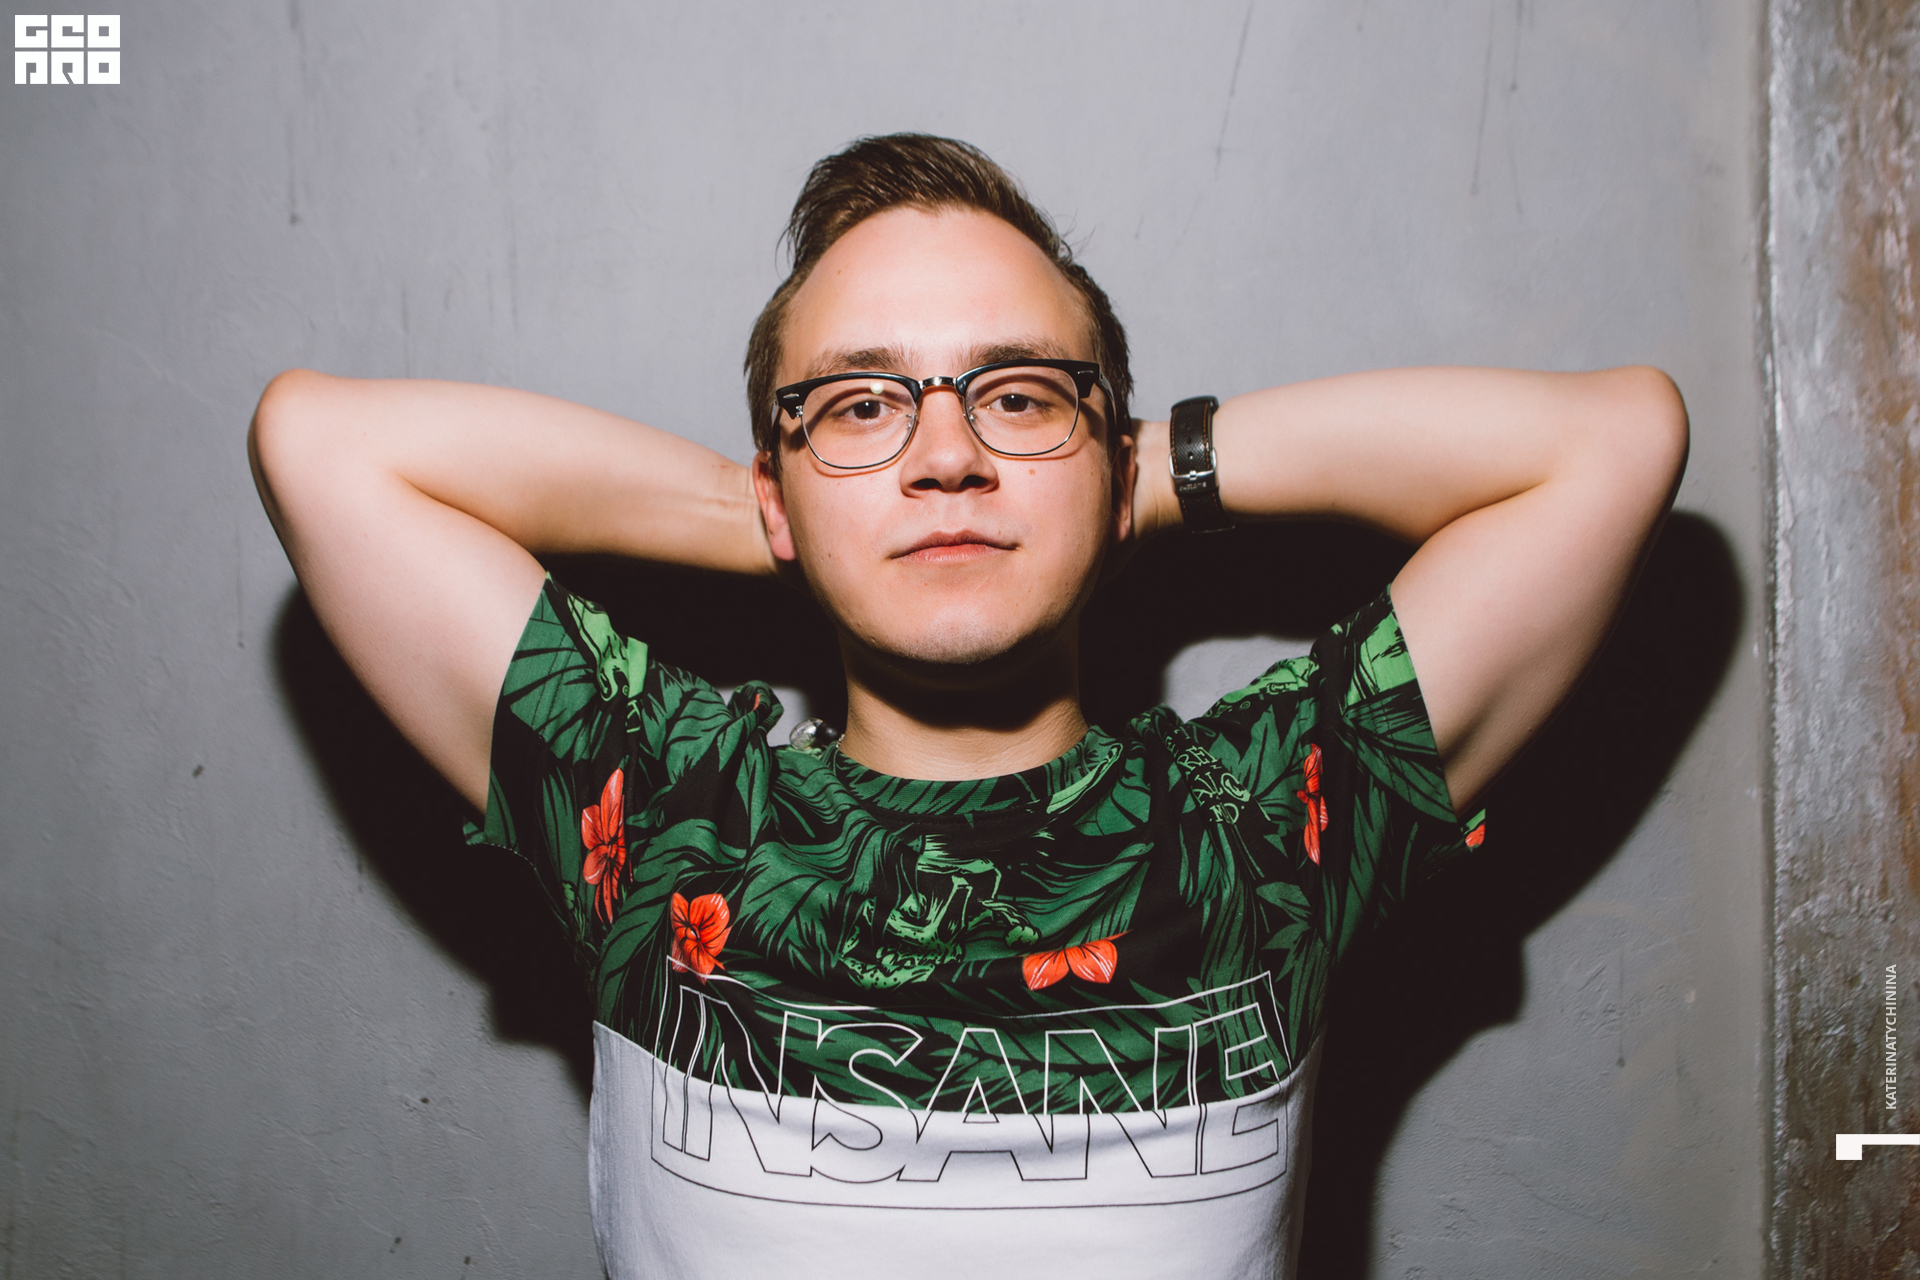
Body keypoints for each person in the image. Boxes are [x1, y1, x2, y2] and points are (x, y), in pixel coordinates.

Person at [248, 134, 1686, 1280]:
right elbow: (323, 448)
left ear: (1110, 461)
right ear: (778, 483)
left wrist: (1127, 480)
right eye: (861, 405)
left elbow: (1613, 443)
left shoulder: (1260, 822)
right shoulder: (668, 810)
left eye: (1020, 396)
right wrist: (789, 513)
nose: (945, 455)